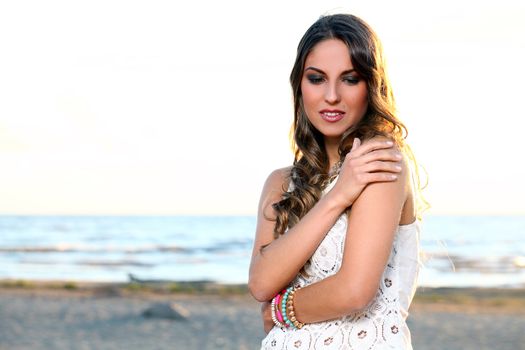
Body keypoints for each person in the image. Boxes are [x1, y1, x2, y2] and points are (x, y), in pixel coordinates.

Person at [248, 13, 425, 349]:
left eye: (350, 79)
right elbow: (260, 283)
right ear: (299, 85)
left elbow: (354, 291)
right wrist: (337, 196)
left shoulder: (380, 163)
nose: (331, 96)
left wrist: (281, 310)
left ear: (371, 86)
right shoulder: (280, 182)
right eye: (317, 79)